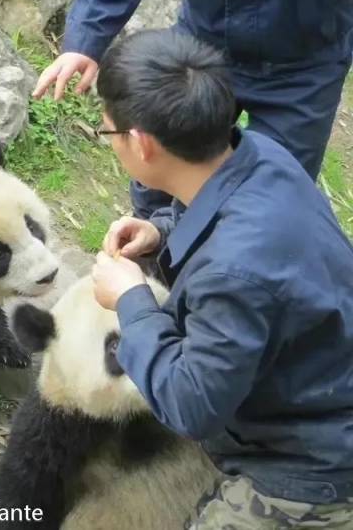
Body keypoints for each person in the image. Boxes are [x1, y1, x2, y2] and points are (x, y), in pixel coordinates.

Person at [89, 28, 353, 528]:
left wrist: (132, 302)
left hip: (311, 467)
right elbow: (224, 217)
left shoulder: (235, 273)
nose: (108, 142)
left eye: (107, 132)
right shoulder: (262, 154)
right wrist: (159, 229)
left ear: (141, 144)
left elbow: (192, 407)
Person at [34, 0, 353, 219]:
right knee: (158, 169)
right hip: (203, 36)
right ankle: (150, 274)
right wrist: (85, 38)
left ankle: (228, 294)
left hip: (307, 59)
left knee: (271, 202)